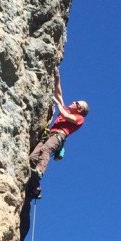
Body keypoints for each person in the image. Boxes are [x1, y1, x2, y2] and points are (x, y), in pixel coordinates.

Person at [28, 69, 89, 197]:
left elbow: (66, 116)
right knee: (32, 157)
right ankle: (35, 186)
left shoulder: (79, 118)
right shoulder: (67, 109)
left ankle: (39, 171)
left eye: (76, 103)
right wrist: (57, 77)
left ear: (80, 109)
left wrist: (56, 103)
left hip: (58, 136)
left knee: (45, 150)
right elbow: (59, 93)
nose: (73, 102)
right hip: (49, 134)